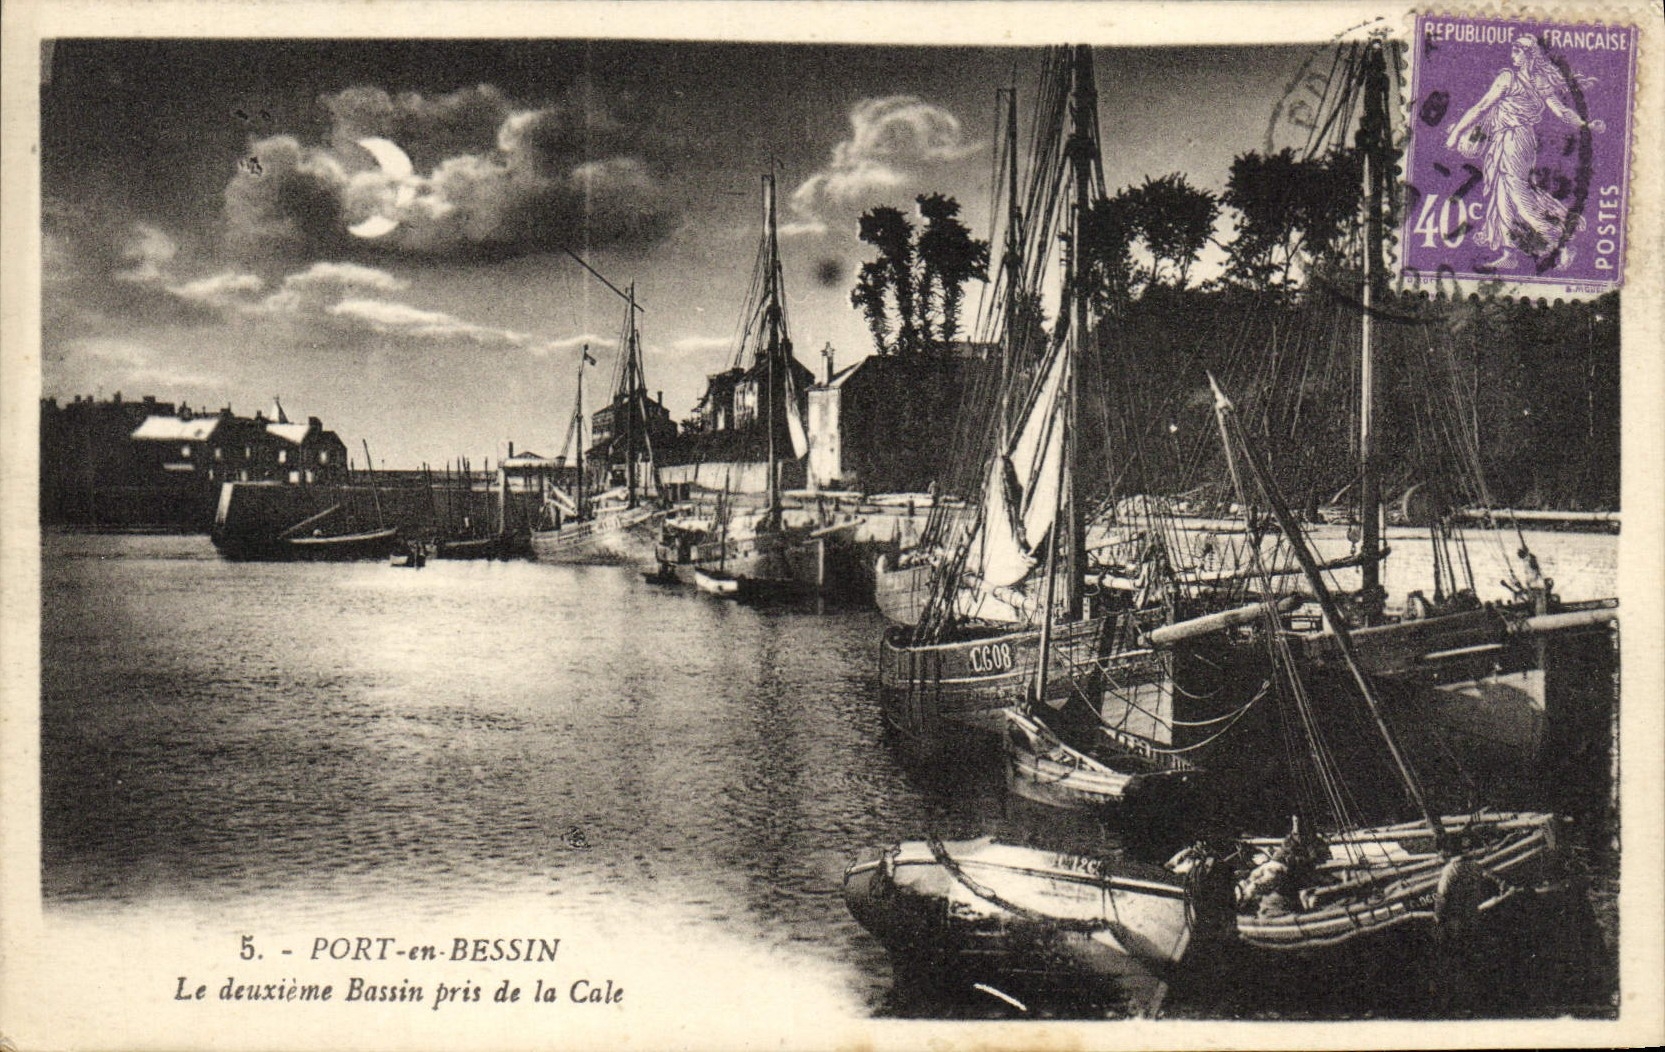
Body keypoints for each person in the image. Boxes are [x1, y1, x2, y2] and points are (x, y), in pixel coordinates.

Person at [1443, 34, 1605, 269]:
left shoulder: (1509, 78)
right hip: (1511, 139)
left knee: (1519, 195)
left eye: (1517, 51)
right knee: (1502, 195)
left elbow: (1482, 107)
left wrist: (1456, 133)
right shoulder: (1536, 80)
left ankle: (1561, 243)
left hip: (1514, 139)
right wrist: (1584, 124)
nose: (1512, 56)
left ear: (1528, 55)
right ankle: (1509, 253)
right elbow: (1561, 111)